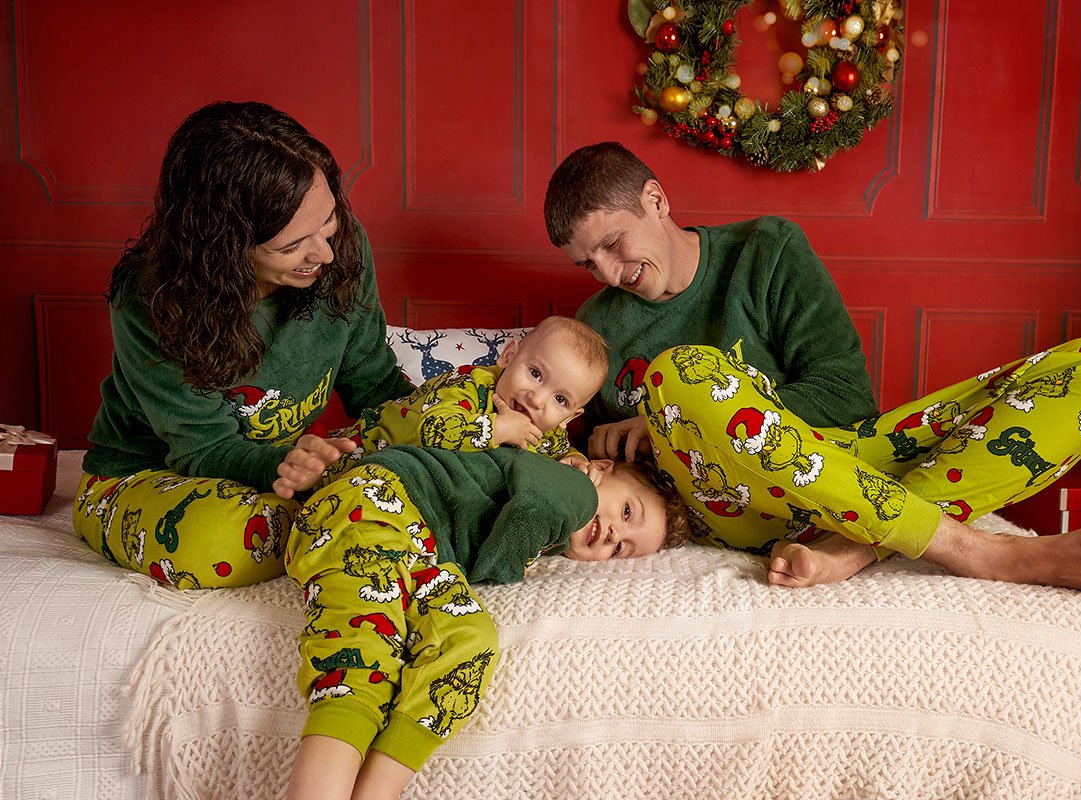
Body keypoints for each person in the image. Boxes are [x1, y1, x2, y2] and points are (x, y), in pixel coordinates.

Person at [543, 141, 1081, 595]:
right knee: (677, 376)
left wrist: (669, 418)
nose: (608, 272)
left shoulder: (767, 251)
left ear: (655, 199)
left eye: (613, 243)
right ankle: (976, 551)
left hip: (848, 461)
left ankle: (855, 547)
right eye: (587, 263)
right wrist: (630, 435)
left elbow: (844, 398)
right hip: (728, 505)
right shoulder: (598, 324)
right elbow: (561, 446)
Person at [73, 100, 413, 589]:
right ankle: (336, 528)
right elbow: (203, 448)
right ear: (224, 244)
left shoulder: (340, 252)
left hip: (280, 481)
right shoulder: (151, 297)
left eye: (329, 220)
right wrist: (289, 465)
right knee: (222, 540)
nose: (325, 251)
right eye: (291, 245)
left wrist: (441, 442)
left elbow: (374, 382)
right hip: (150, 477)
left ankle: (331, 525)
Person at [284, 444, 691, 800]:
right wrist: (506, 568)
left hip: (425, 550)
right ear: (599, 469)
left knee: (469, 641)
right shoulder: (570, 485)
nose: (613, 534)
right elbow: (533, 514)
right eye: (625, 511)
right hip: (375, 502)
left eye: (622, 548)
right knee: (363, 653)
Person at [275, 316, 609, 498]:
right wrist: (499, 429)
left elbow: (561, 451)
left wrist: (576, 463)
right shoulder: (467, 387)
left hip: (404, 489)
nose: (537, 398)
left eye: (560, 400)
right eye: (535, 374)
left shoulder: (544, 433)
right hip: (368, 447)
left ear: (570, 417)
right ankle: (301, 480)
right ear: (509, 357)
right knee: (322, 477)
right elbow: (434, 430)